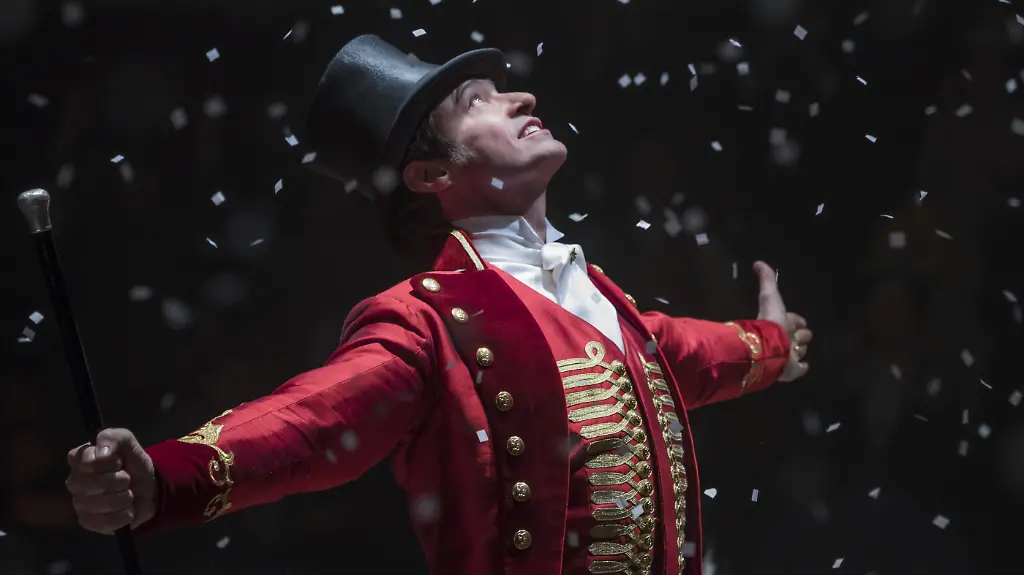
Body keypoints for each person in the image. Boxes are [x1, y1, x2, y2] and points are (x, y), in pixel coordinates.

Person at [63, 35, 812, 575]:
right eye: (477, 102)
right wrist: (165, 478)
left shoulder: (604, 301)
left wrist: (773, 342)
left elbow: (694, 352)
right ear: (430, 175)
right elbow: (313, 420)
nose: (522, 97)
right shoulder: (430, 320)